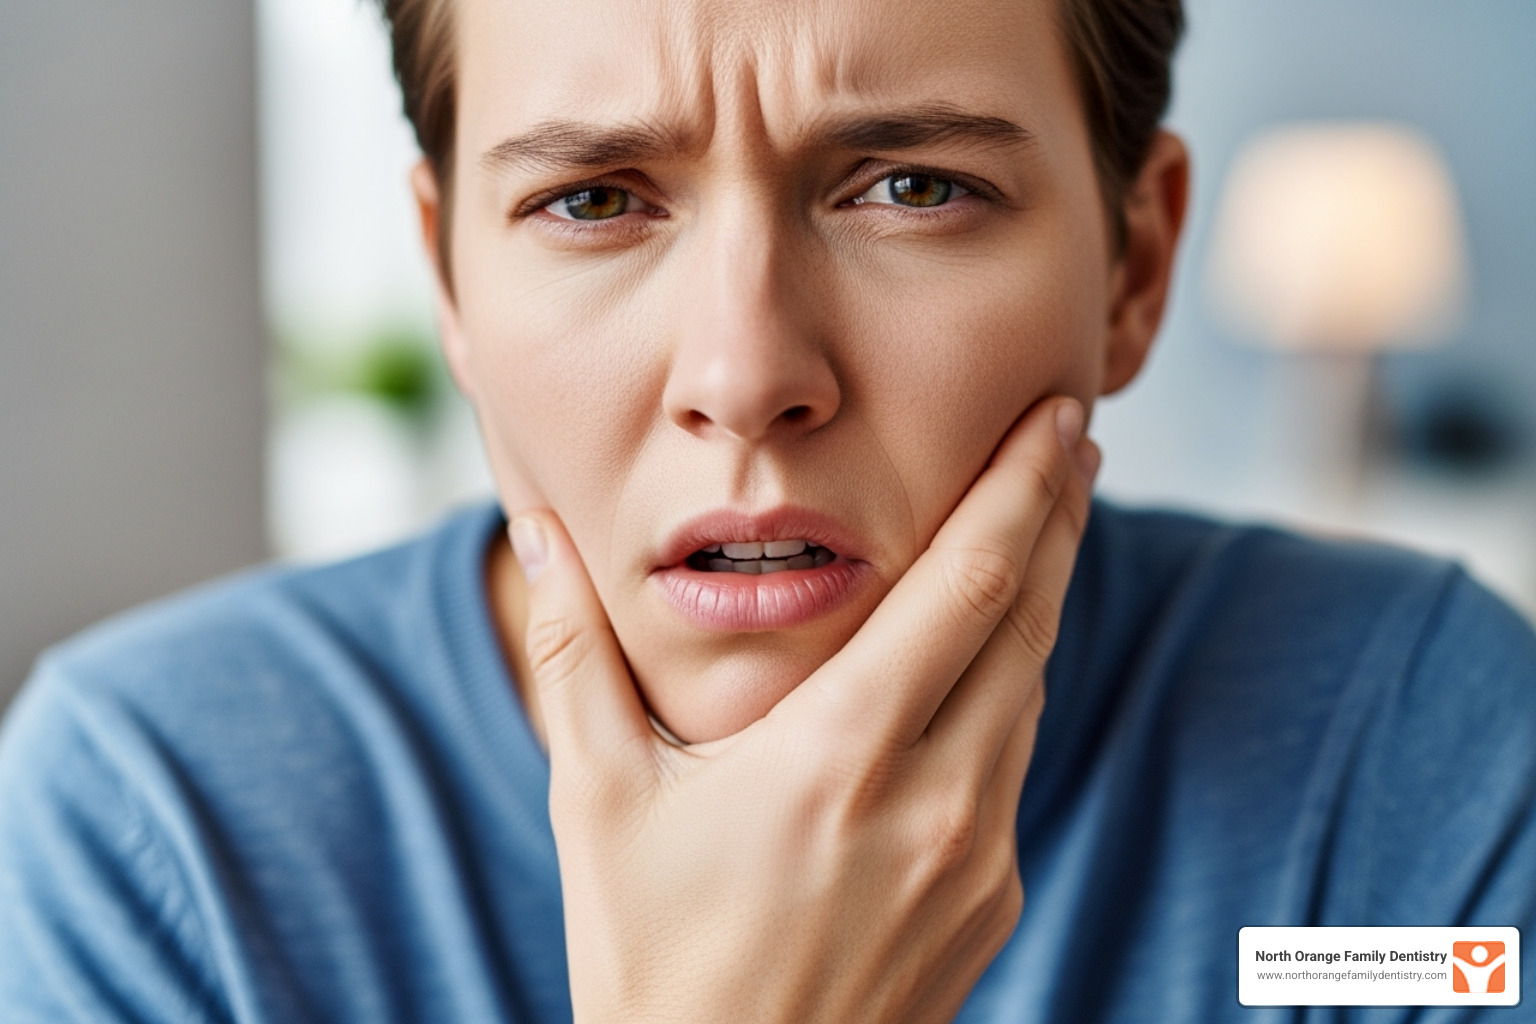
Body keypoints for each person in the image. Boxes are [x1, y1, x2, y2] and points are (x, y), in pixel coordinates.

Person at [1, 0, 1532, 1020]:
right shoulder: (164, 825)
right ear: (449, 280)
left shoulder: (1401, 766)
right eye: (594, 201)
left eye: (912, 187)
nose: (745, 378)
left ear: (1132, 270)